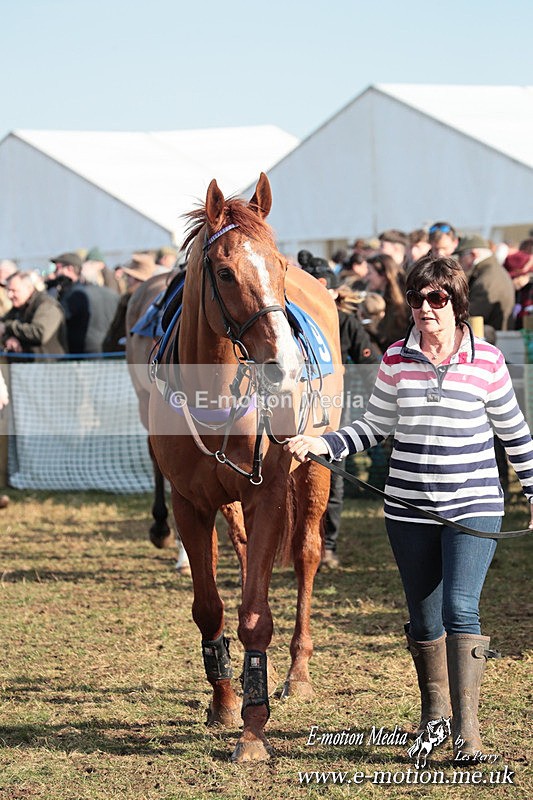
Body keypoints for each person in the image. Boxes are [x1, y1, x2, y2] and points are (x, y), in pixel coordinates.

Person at [284, 255, 533, 760]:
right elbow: (374, 427)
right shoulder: (396, 358)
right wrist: (321, 444)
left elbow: (514, 433)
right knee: (423, 622)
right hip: (408, 509)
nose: (425, 307)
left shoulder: (486, 360)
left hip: (474, 507)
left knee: (459, 607)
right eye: (417, 298)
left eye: (436, 298)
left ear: (456, 303)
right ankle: (434, 722)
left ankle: (468, 733)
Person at [298, 258, 377, 568]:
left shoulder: (345, 322)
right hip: (296, 407)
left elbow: (369, 364)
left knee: (333, 479)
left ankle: (327, 544)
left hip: (333, 408)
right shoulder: (290, 320)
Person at [454, 234, 515, 332]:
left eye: (461, 255)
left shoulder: (488, 277)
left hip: (495, 339)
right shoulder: (491, 271)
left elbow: (472, 314)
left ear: (474, 254)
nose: (459, 261)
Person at [0, 272, 67, 357]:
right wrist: (7, 339)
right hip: (27, 364)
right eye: (8, 290)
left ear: (29, 288)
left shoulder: (47, 305)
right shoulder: (19, 307)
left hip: (49, 365)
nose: (10, 295)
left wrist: (9, 327)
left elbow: (39, 333)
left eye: (14, 291)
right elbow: (2, 324)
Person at [102, 253, 156, 352]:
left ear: (136, 279)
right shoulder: (131, 298)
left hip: (129, 353)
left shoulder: (137, 300)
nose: (126, 280)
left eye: (128, 276)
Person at [366, 253, 410, 351]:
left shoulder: (398, 301)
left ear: (383, 275)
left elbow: (390, 336)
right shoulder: (381, 296)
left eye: (369, 273)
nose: (367, 277)